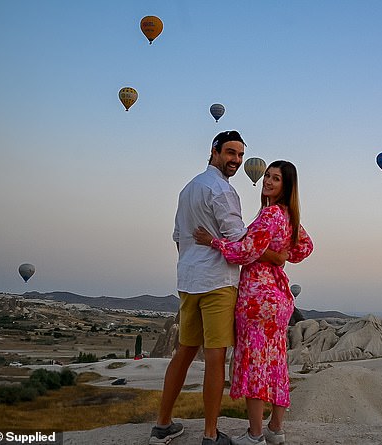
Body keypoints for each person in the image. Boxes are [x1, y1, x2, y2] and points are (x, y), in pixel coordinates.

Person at [150, 131, 285, 445]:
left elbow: (177, 236)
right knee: (214, 357)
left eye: (239, 155)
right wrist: (276, 255)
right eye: (230, 153)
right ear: (214, 151)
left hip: (188, 281)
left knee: (183, 352)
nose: (235, 161)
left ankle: (162, 425)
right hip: (218, 283)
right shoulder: (223, 191)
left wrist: (192, 262)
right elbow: (240, 239)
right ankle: (210, 435)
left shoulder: (188, 188)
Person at [194, 160, 314, 445]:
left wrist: (213, 242)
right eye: (268, 176)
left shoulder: (270, 214)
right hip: (280, 297)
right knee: (275, 363)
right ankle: (276, 429)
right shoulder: (288, 216)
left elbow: (243, 252)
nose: (268, 182)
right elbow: (305, 247)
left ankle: (255, 435)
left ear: (286, 186)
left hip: (258, 298)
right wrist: (278, 254)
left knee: (253, 364)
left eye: (276, 179)